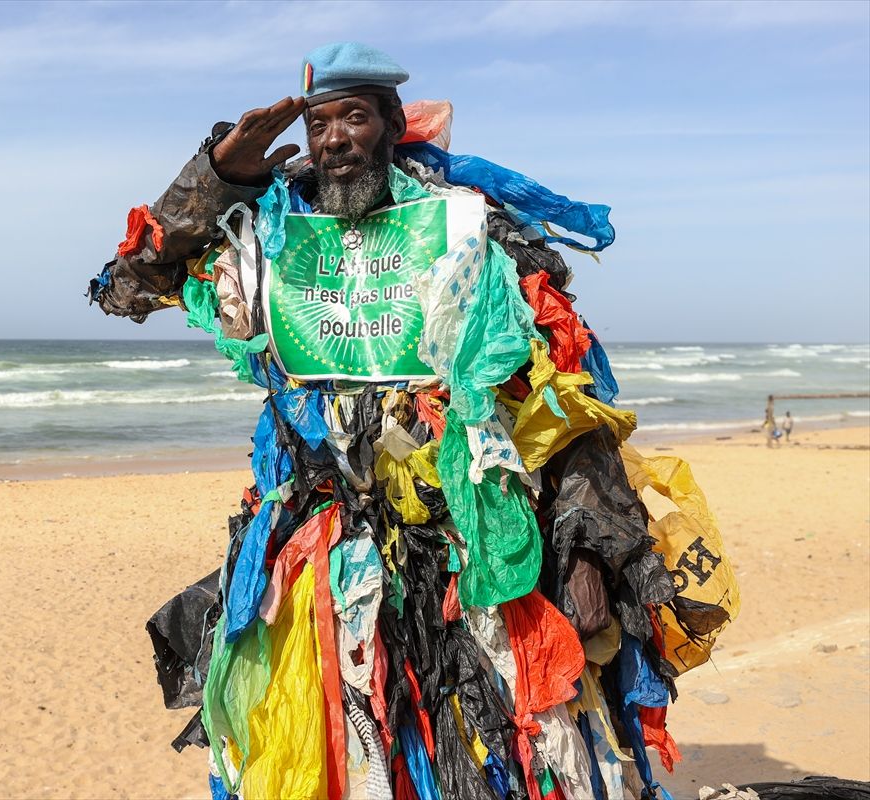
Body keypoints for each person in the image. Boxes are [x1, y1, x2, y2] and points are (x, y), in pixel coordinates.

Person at [89, 42, 735, 800]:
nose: (334, 140)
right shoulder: (266, 228)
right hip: (320, 554)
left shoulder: (465, 227)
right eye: (320, 122)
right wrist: (222, 171)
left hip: (464, 552)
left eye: (354, 117)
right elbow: (131, 287)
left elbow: (562, 388)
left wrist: (588, 550)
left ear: (392, 122)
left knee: (490, 748)